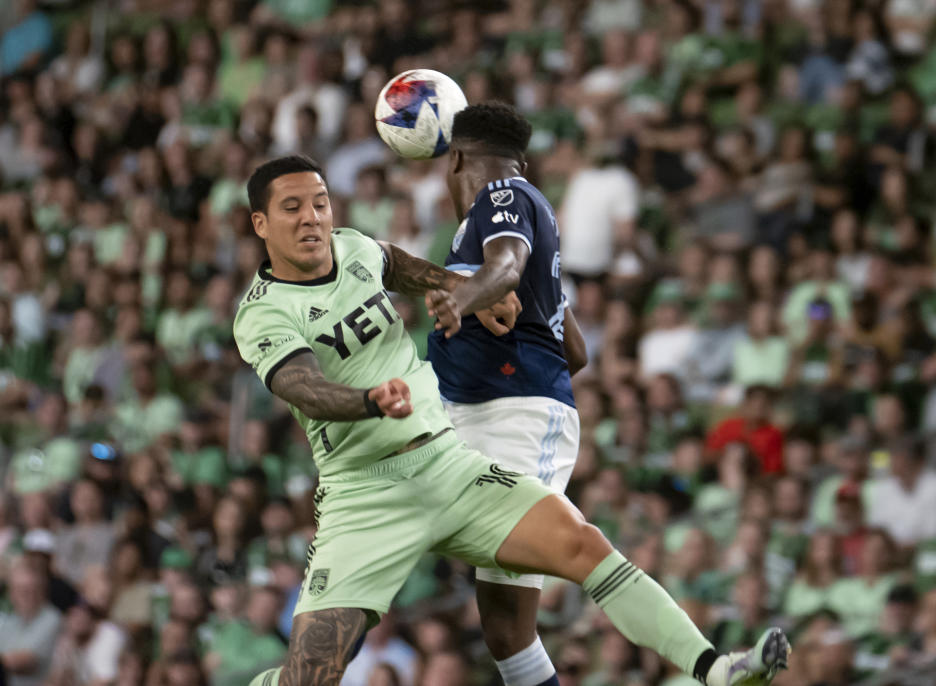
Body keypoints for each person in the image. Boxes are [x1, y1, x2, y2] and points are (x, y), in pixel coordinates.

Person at [233, 155, 789, 686]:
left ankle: (715, 669)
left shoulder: (353, 248)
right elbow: (302, 387)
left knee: (581, 543)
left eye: (321, 203)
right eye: (292, 208)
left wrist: (458, 289)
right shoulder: (262, 313)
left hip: (446, 463)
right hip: (363, 495)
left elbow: (397, 264)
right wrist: (369, 401)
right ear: (261, 222)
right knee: (312, 675)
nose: (312, 217)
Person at [426, 101, 587, 686]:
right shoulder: (516, 215)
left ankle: (704, 660)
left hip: (515, 417)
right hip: (482, 412)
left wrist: (460, 301)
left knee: (554, 563)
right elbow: (578, 352)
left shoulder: (503, 195)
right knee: (503, 627)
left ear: (459, 158)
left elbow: (507, 267)